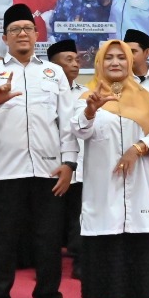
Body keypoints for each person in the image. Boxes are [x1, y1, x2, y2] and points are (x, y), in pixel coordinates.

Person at [0, 4, 76, 298]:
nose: (22, 34)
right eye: (15, 30)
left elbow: (67, 122)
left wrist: (70, 163)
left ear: (36, 34)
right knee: (1, 239)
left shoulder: (53, 73)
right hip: (4, 170)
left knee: (48, 239)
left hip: (48, 170)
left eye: (27, 29)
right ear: (4, 38)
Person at [76, 39, 149, 298]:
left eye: (121, 57)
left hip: (143, 182)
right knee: (107, 237)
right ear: (99, 62)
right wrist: (90, 111)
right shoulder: (87, 96)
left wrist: (138, 148)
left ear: (130, 62)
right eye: (109, 58)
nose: (115, 62)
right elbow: (78, 131)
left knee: (139, 236)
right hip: (104, 184)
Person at [48, 38, 87, 279]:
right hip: (52, 164)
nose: (75, 64)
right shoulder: (46, 91)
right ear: (54, 65)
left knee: (80, 215)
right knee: (51, 219)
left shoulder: (86, 93)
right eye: (68, 60)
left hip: (81, 164)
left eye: (77, 60)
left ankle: (81, 262)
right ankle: (47, 265)